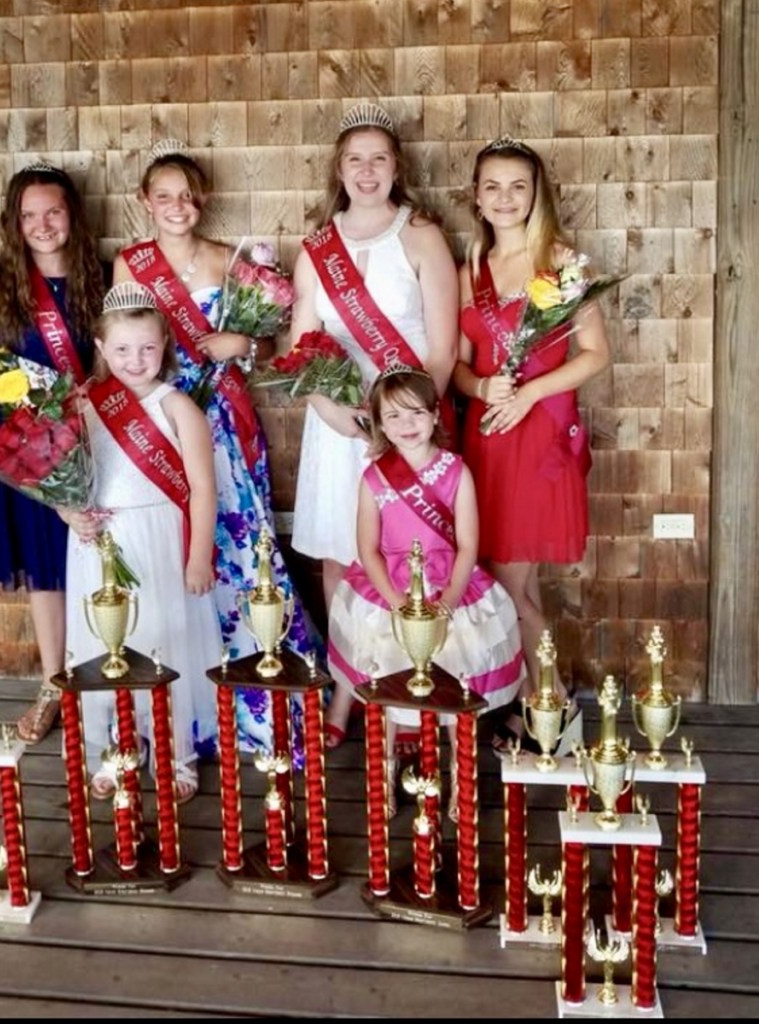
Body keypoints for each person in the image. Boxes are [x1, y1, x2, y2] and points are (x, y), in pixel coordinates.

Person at [113, 140, 316, 756]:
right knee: (174, 548)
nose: (178, 207)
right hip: (163, 428)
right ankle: (184, 701)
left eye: (188, 197)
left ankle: (259, 702)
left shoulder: (230, 261)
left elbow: (268, 336)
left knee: (240, 545)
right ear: (146, 203)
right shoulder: (131, 265)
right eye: (165, 197)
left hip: (224, 423)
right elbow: (126, 342)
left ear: (202, 203)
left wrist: (242, 347)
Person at [288, 102, 459, 749]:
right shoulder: (315, 249)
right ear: (338, 168)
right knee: (340, 557)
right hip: (336, 428)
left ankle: (413, 686)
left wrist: (406, 424)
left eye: (378, 158)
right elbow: (303, 345)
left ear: (396, 167)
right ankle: (347, 688)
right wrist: (338, 416)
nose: (366, 170)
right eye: (354, 159)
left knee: (412, 556)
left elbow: (441, 350)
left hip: (410, 429)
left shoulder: (421, 237)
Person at [454, 137, 611, 751]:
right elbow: (460, 369)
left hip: (539, 433)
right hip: (487, 436)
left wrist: (528, 392)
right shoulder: (471, 268)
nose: (505, 197)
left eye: (518, 185)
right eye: (492, 186)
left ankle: (553, 710)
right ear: (476, 195)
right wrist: (482, 385)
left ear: (536, 192)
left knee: (508, 584)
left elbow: (596, 355)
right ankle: (537, 705)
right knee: (514, 582)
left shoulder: (562, 260)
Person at [0, 163, 104, 744]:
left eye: (54, 212)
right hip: (25, 444)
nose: (42, 224)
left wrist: (96, 394)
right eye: (30, 214)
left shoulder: (102, 276)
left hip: (88, 435)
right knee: (45, 564)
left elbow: (122, 354)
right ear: (15, 221)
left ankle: (106, 676)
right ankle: (53, 681)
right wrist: (13, 392)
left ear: (73, 215)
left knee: (96, 551)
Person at [327, 367, 524, 818]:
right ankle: (384, 774)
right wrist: (399, 606)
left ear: (436, 415)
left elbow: (469, 544)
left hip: (448, 586)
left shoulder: (456, 472)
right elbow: (367, 548)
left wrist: (449, 602)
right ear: (378, 423)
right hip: (391, 593)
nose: (406, 424)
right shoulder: (375, 478)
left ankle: (463, 782)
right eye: (393, 416)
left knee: (457, 684)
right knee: (387, 680)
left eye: (416, 412)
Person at [63, 282, 221, 803]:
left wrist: (199, 555)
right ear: (103, 349)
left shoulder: (176, 406)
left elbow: (202, 487)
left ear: (165, 348)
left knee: (160, 641)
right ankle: (113, 747)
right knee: (101, 646)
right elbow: (60, 475)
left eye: (148, 348)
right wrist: (70, 514)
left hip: (158, 539)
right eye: (124, 349)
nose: (136, 360)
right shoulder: (85, 403)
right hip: (100, 543)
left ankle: (175, 752)